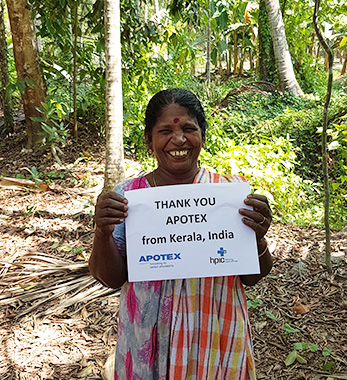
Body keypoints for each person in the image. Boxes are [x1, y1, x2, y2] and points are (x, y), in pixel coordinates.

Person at [89, 88, 273, 380]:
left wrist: (258, 236)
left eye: (189, 128)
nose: (178, 139)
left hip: (215, 337)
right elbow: (111, 278)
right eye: (165, 131)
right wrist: (103, 231)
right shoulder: (129, 198)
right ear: (149, 141)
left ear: (202, 135)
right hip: (149, 339)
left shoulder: (228, 194)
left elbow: (253, 277)